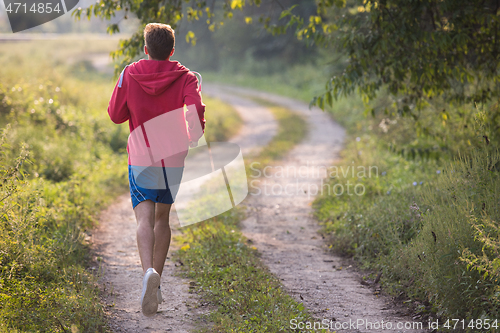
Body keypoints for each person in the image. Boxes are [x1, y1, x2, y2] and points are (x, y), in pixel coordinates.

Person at [107, 23, 206, 317]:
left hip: (140, 156)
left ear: (146, 49)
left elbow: (115, 115)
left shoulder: (130, 73)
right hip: (172, 158)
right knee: (163, 219)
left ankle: (148, 272)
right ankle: (156, 283)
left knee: (143, 219)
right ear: (172, 51)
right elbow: (195, 110)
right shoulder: (186, 77)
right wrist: (194, 135)